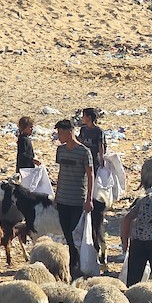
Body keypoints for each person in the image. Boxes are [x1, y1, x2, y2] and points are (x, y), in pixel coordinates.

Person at [53, 119, 93, 278]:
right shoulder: (60, 150)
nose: (59, 136)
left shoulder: (84, 152)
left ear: (70, 132)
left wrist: (89, 199)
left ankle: (75, 266)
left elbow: (90, 175)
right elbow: (61, 172)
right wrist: (56, 195)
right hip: (63, 199)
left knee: (75, 235)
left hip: (77, 200)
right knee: (66, 234)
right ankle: (71, 265)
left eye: (61, 133)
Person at [77, 108, 107, 265]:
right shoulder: (83, 130)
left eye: (84, 116)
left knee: (94, 186)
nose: (82, 118)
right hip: (84, 162)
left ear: (89, 117)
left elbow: (101, 147)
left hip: (94, 164)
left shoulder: (98, 132)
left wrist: (102, 161)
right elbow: (80, 143)